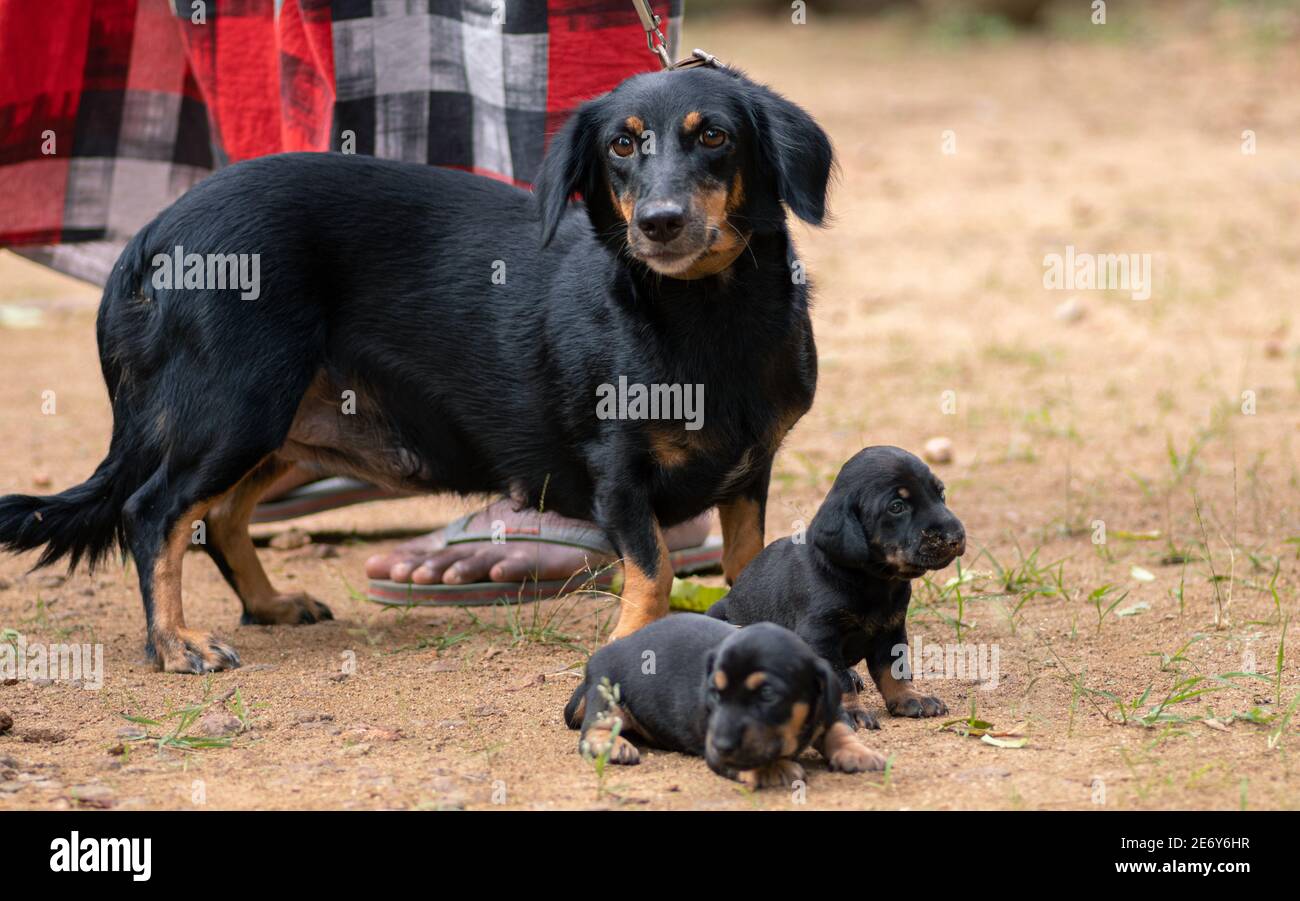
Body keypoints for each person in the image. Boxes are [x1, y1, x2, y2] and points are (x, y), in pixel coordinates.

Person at [0, 0, 718, 603]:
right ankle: (177, 591)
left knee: (248, 420)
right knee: (241, 420)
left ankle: (262, 512)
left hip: (289, 239)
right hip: (264, 251)